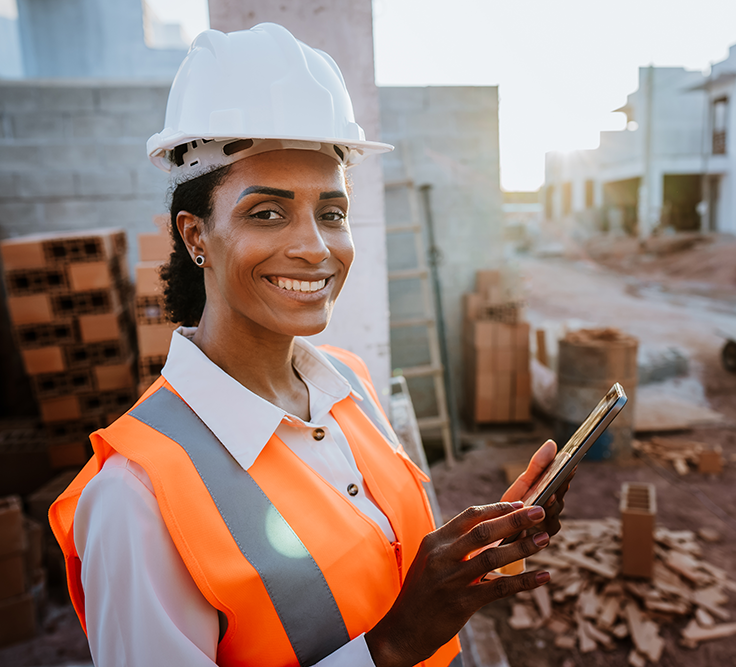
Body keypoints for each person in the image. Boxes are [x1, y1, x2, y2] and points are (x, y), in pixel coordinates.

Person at [50, 23, 572, 667]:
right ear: (195, 237)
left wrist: (472, 549)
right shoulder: (136, 498)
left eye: (331, 212)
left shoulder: (347, 384)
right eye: (267, 213)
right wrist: (395, 643)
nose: (314, 247)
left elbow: (370, 565)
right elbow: (393, 629)